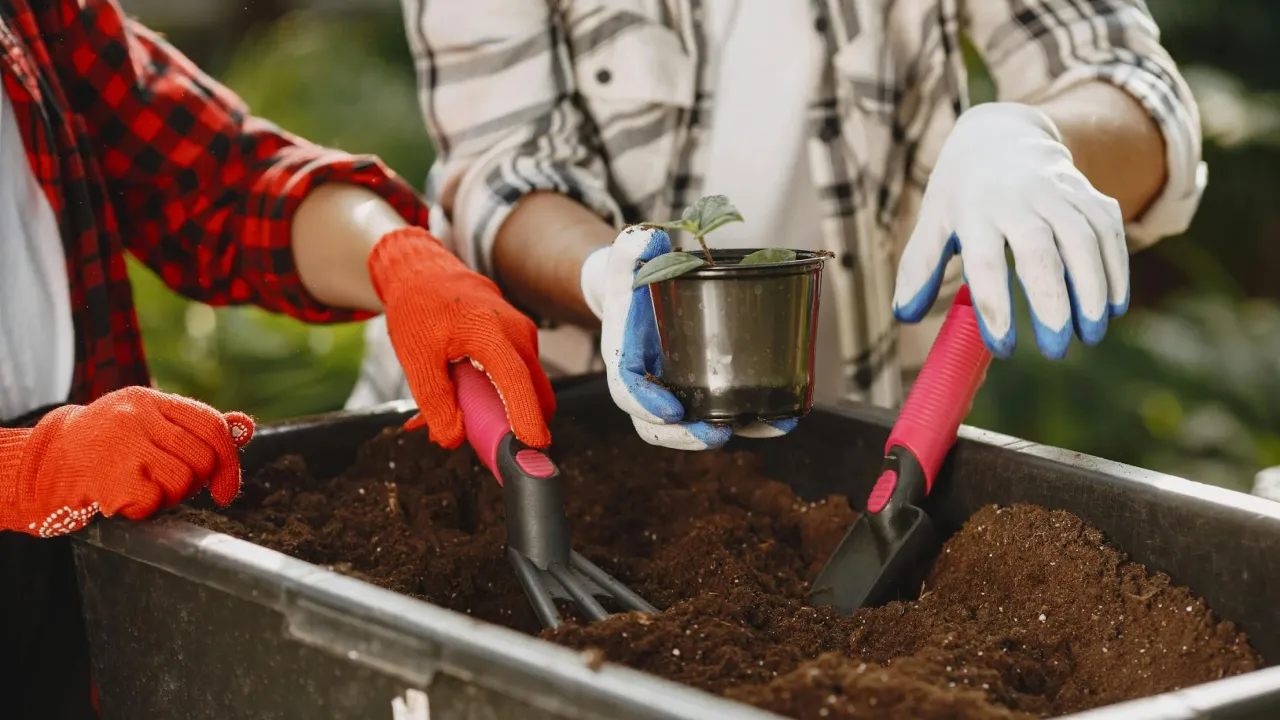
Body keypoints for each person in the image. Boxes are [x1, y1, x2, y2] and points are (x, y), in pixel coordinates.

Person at [0, 1, 554, 717]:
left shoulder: (35, 18)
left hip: (84, 544)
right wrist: (24, 472)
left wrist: (397, 258)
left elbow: (222, 182)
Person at [353, 0, 1201, 448]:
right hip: (530, 421)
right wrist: (613, 280)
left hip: (849, 422)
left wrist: (1029, 138)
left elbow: (1130, 81)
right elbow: (501, 165)